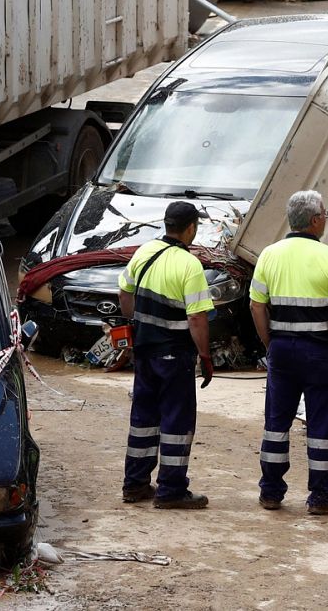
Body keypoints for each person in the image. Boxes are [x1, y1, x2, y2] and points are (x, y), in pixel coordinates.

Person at [249, 190, 328, 515]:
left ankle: (270, 492)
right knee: (321, 426)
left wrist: (270, 344)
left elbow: (256, 306)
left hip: (282, 351)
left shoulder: (269, 255)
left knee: (276, 423)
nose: (326, 218)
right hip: (321, 353)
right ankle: (321, 497)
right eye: (324, 213)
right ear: (314, 221)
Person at [119, 201, 215, 510]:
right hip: (175, 355)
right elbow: (197, 318)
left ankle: (135, 484)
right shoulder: (189, 265)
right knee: (176, 420)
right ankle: (171, 490)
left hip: (144, 351)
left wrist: (139, 324)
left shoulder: (144, 252)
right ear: (190, 228)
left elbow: (124, 294)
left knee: (143, 418)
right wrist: (205, 355)